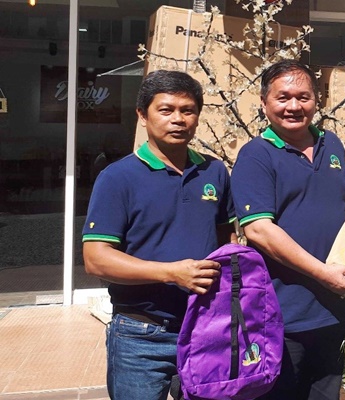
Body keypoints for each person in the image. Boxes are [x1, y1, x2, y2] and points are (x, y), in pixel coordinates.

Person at [82, 70, 237, 400]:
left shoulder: (214, 171)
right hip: (141, 335)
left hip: (205, 328)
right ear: (143, 115)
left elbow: (227, 241)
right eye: (165, 110)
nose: (178, 119)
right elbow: (95, 259)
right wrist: (170, 273)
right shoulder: (118, 178)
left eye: (187, 110)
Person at [230, 59, 345, 400]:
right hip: (282, 316)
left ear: (316, 101)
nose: (293, 106)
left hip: (333, 309)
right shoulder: (256, 155)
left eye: (303, 97)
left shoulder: (330, 144)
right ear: (264, 103)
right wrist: (323, 273)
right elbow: (259, 229)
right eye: (283, 97)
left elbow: (336, 199)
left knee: (326, 393)